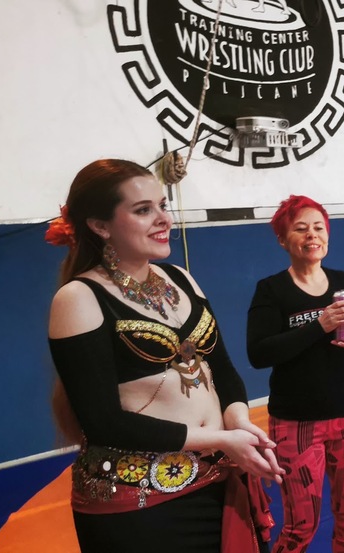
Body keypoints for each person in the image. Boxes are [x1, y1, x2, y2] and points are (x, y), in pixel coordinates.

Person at [45, 159, 283, 552]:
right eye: (143, 210)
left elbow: (221, 370)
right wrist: (221, 439)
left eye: (163, 205)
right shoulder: (79, 298)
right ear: (100, 225)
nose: (163, 219)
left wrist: (240, 422)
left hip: (216, 478)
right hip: (140, 503)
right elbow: (103, 422)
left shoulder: (180, 278)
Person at [246, 195, 344, 553]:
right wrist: (319, 326)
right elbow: (259, 354)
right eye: (301, 229)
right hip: (298, 423)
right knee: (300, 526)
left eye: (319, 228)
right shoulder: (271, 289)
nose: (312, 235)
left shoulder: (341, 281)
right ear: (283, 240)